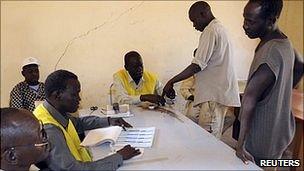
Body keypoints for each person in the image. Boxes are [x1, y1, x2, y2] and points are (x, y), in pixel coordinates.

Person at [33, 70, 140, 170]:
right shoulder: (49, 129)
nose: (79, 99)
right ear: (57, 95)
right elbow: (73, 169)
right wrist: (119, 157)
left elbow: (78, 123)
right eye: (74, 94)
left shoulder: (49, 110)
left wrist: (109, 121)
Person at [163, 1, 240, 139]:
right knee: (209, 137)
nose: (194, 25)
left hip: (212, 95)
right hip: (216, 94)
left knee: (207, 140)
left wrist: (171, 81)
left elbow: (197, 65)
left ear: (203, 14)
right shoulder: (220, 28)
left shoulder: (210, 30)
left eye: (194, 21)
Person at [236, 0, 297, 166]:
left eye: (251, 21)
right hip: (279, 130)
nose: (245, 26)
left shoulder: (270, 51)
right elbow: (300, 65)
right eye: (244, 18)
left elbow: (249, 98)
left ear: (270, 20)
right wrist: (279, 95)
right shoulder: (285, 42)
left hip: (261, 139)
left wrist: (240, 145)